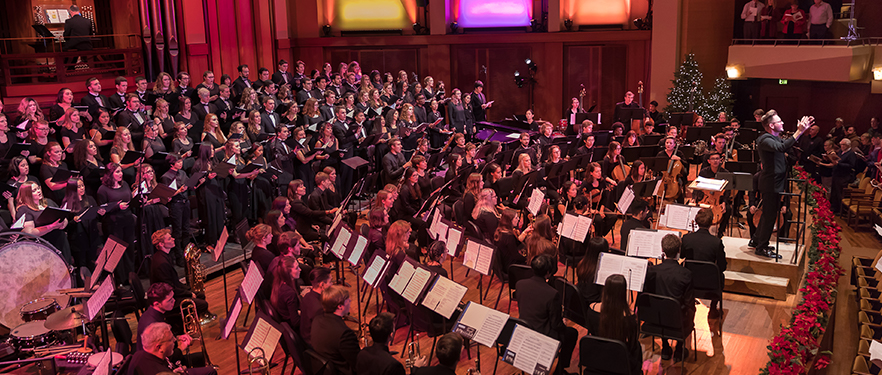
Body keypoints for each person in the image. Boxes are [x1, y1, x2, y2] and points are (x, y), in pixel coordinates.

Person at [754, 110, 809, 258]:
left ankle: (756, 240)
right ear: (771, 125)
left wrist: (799, 133)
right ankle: (761, 247)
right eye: (779, 121)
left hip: (776, 182)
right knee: (770, 216)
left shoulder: (775, 138)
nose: (782, 123)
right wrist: (799, 132)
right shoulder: (765, 139)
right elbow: (781, 148)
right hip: (770, 183)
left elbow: (784, 145)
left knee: (768, 215)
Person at [516, 254, 577, 375]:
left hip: (525, 330)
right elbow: (556, 325)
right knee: (572, 333)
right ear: (548, 273)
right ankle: (559, 371)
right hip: (542, 335)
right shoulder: (552, 294)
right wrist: (563, 323)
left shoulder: (519, 284)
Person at [644, 234, 694, 361]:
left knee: (661, 306)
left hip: (655, 319)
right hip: (677, 321)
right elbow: (689, 303)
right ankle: (679, 349)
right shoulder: (685, 274)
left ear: (662, 250)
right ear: (679, 251)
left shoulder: (651, 271)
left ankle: (665, 347)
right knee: (688, 309)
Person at [149, 228, 211, 321]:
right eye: (169, 239)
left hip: (172, 293)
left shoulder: (163, 256)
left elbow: (174, 283)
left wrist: (188, 290)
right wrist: (189, 294)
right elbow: (169, 289)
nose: (173, 239)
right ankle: (187, 324)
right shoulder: (162, 263)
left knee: (200, 295)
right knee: (203, 304)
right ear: (161, 244)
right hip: (168, 299)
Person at [680, 208, 727, 316]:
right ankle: (713, 308)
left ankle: (689, 304)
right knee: (720, 275)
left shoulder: (687, 238)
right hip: (710, 284)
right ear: (711, 223)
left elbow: (682, 255)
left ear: (696, 222)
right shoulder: (716, 242)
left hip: (690, 281)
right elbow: (722, 266)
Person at [594, 275, 642, 374]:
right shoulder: (630, 317)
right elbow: (632, 344)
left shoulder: (592, 309)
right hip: (621, 362)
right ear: (623, 292)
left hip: (598, 358)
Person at [129, 322, 217, 375]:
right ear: (159, 347)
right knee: (211, 371)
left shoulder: (138, 355)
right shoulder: (161, 372)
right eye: (171, 339)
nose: (175, 340)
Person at [311, 285, 360, 373]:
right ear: (340, 306)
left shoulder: (316, 319)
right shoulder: (344, 334)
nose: (350, 301)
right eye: (348, 300)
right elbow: (358, 363)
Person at [300, 267, 332, 344]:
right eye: (330, 282)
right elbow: (323, 334)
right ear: (322, 284)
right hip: (314, 343)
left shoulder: (307, 295)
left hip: (307, 336)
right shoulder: (319, 309)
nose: (332, 284)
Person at [270, 255, 302, 330]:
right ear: (289, 273)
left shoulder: (279, 283)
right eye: (297, 268)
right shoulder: (289, 293)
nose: (300, 269)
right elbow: (296, 322)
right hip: (295, 328)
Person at [830, 137, 856, 213]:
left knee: (839, 193)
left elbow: (851, 165)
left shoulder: (851, 153)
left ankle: (840, 210)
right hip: (836, 174)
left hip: (843, 176)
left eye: (843, 145)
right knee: (834, 192)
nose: (841, 146)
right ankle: (834, 208)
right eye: (841, 144)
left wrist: (839, 164)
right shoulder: (841, 152)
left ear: (848, 145)